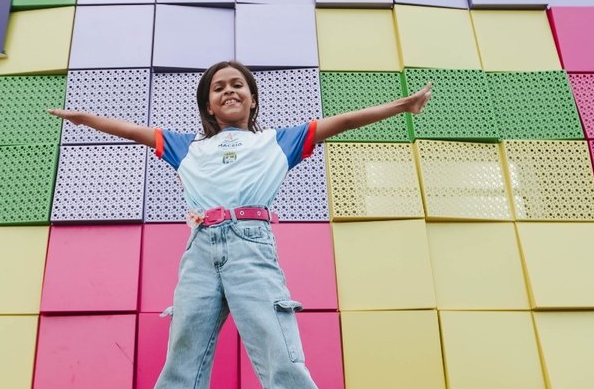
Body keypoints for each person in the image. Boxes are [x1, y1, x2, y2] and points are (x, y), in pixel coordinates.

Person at [48, 60, 432, 389]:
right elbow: (132, 131)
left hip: (250, 246)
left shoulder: (278, 142)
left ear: (252, 99)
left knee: (278, 351)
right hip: (199, 252)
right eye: (218, 88)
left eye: (237, 85)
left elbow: (345, 120)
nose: (228, 91)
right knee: (182, 355)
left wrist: (403, 105)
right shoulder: (188, 147)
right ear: (209, 106)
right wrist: (85, 119)